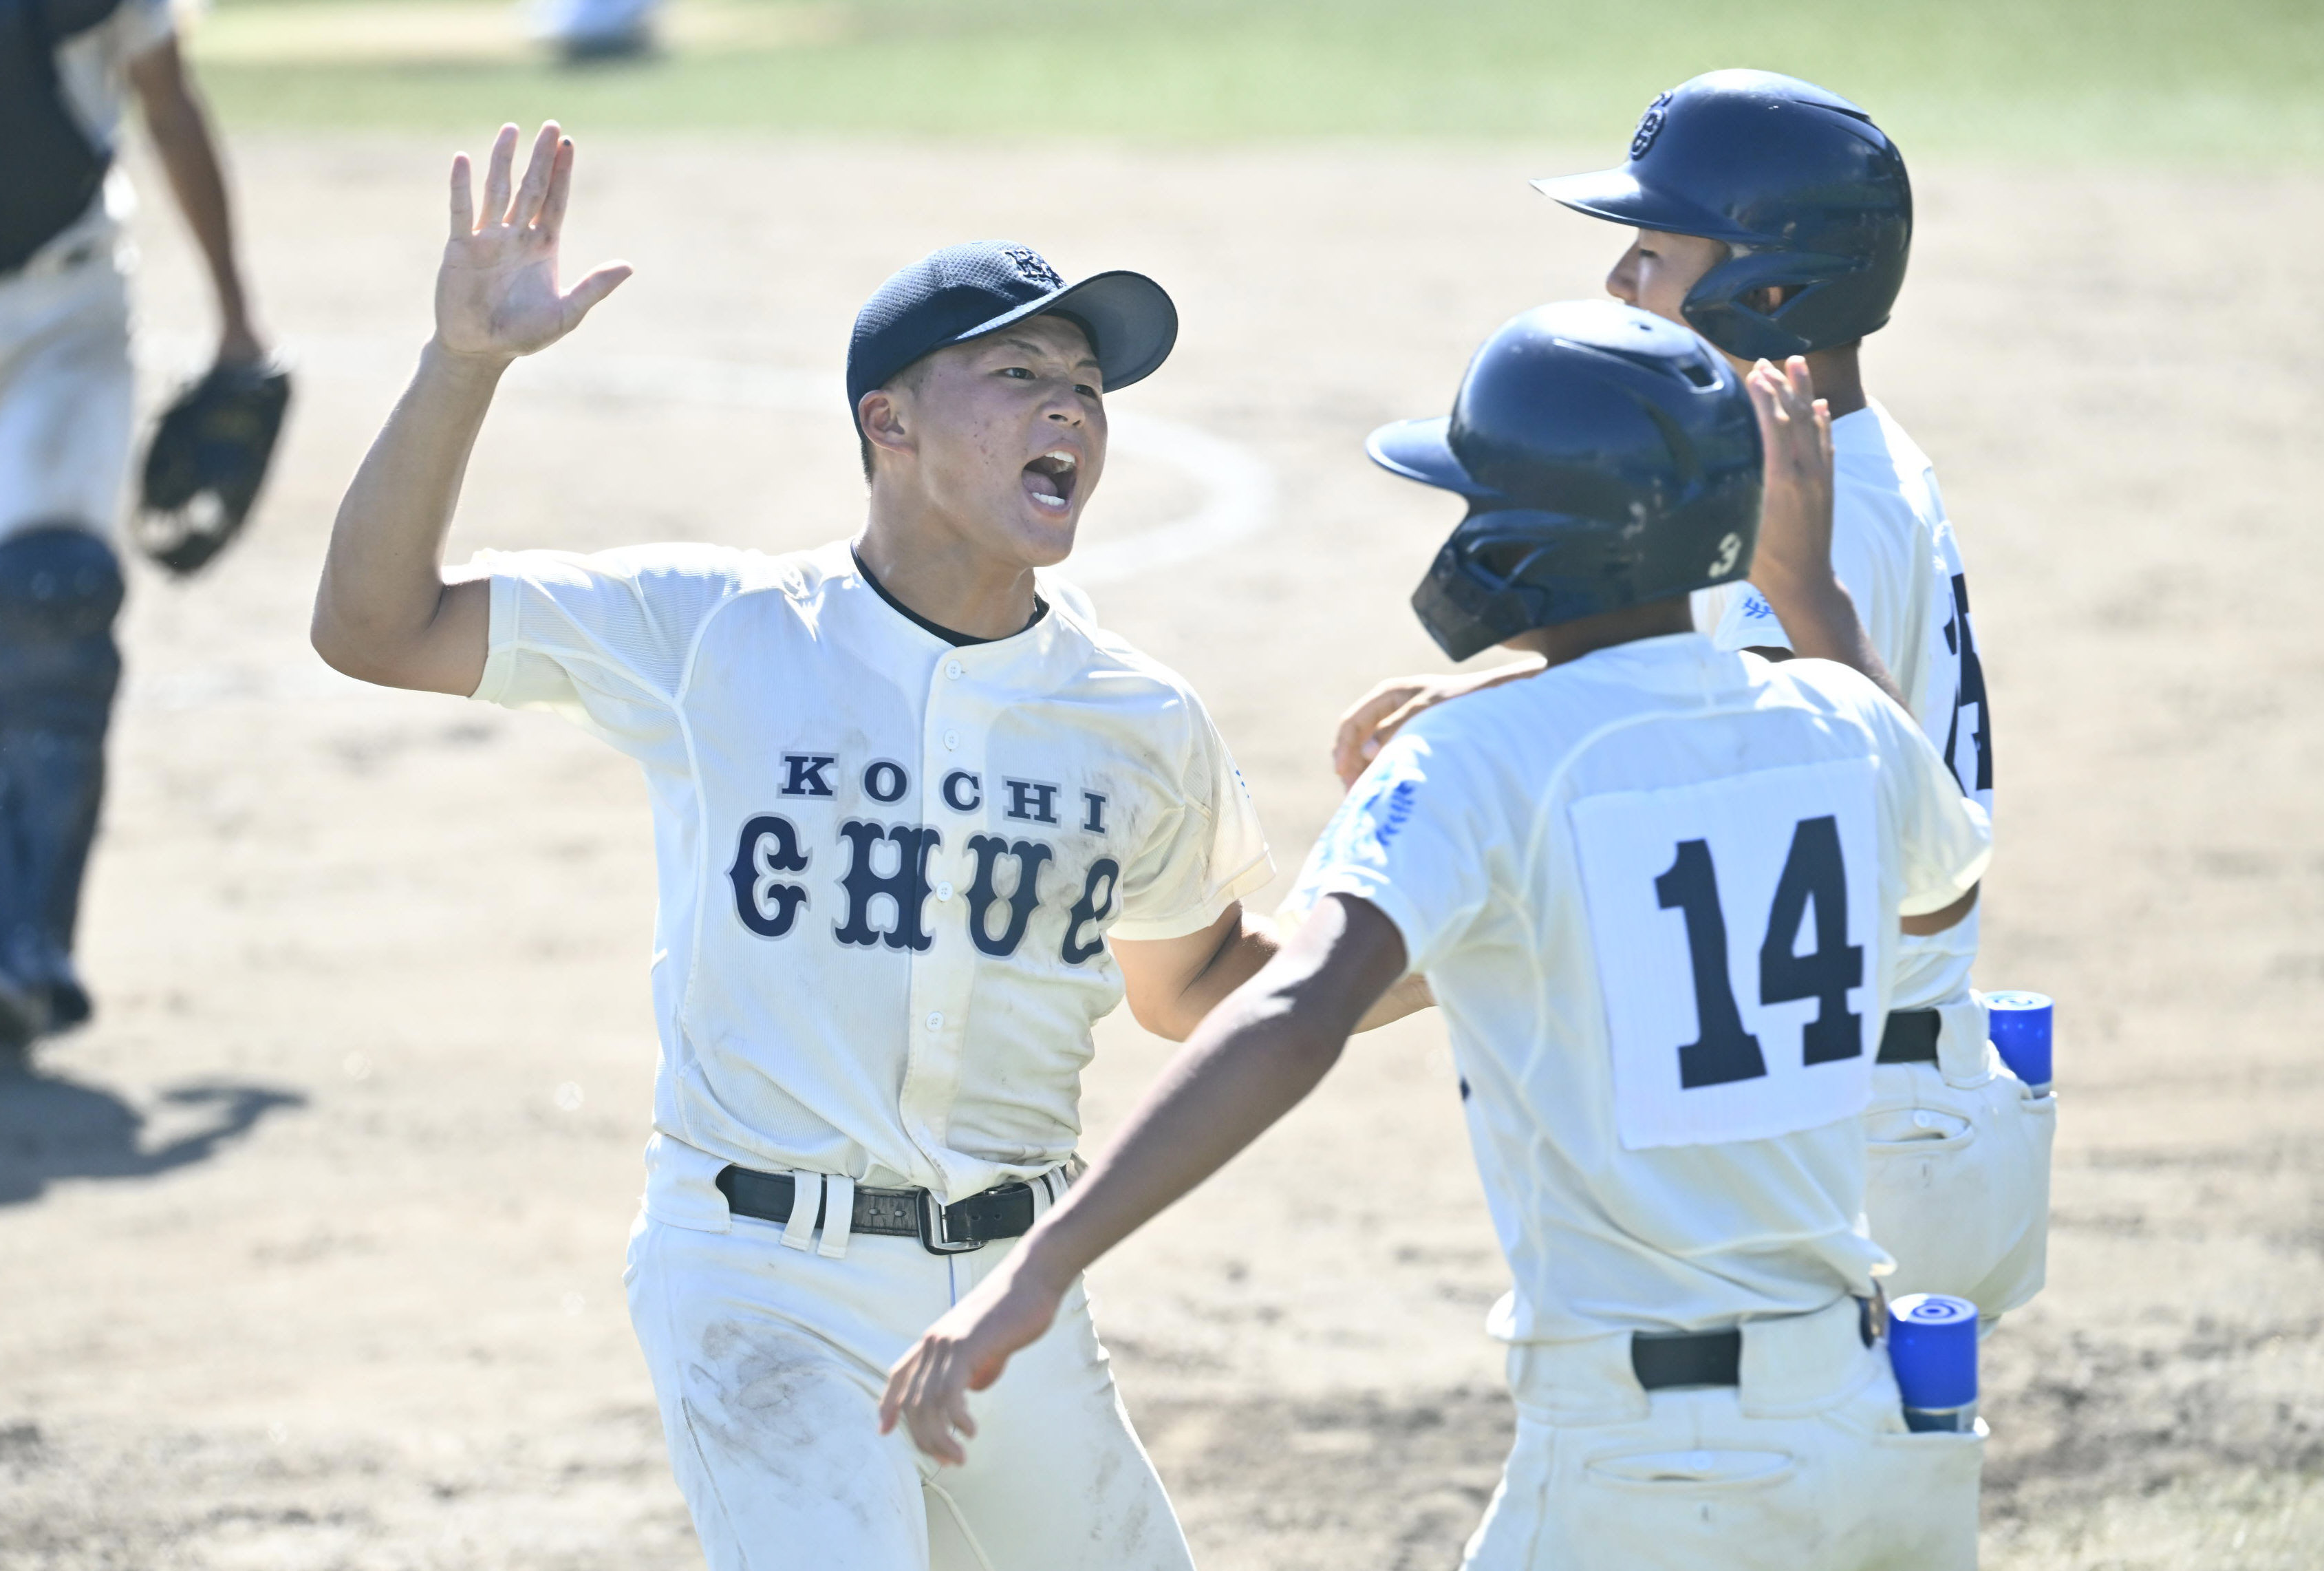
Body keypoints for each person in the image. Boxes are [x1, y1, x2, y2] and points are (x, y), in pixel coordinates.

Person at [310, 120, 1341, 1570]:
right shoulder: (716, 630)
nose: (1074, 412)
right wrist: (463, 366)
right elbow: (374, 626)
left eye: (1089, 387)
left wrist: (1433, 926)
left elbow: (1196, 983)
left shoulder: (1135, 721)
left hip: (1008, 1279)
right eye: (1022, 374)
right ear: (890, 423)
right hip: (756, 1275)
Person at [883, 302, 1994, 1570]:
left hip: (1649, 1461)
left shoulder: (1477, 760)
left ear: (1532, 538)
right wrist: (1805, 591)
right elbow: (1939, 893)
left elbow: (1297, 1011)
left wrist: (1041, 1265)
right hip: (1863, 1426)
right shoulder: (1832, 721)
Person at [1331, 70, 2049, 1323]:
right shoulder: (1831, 464)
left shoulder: (1822, 510)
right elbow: (1704, 684)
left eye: (1651, 256)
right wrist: (1506, 680)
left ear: (1767, 293)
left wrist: (1368, 956)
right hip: (1896, 1103)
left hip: (1854, 1134)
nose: (1619, 284)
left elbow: (1722, 793)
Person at [1, 0, 268, 1055]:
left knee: (55, 599)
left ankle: (26, 947)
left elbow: (166, 101)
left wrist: (238, 317)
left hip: (62, 305)